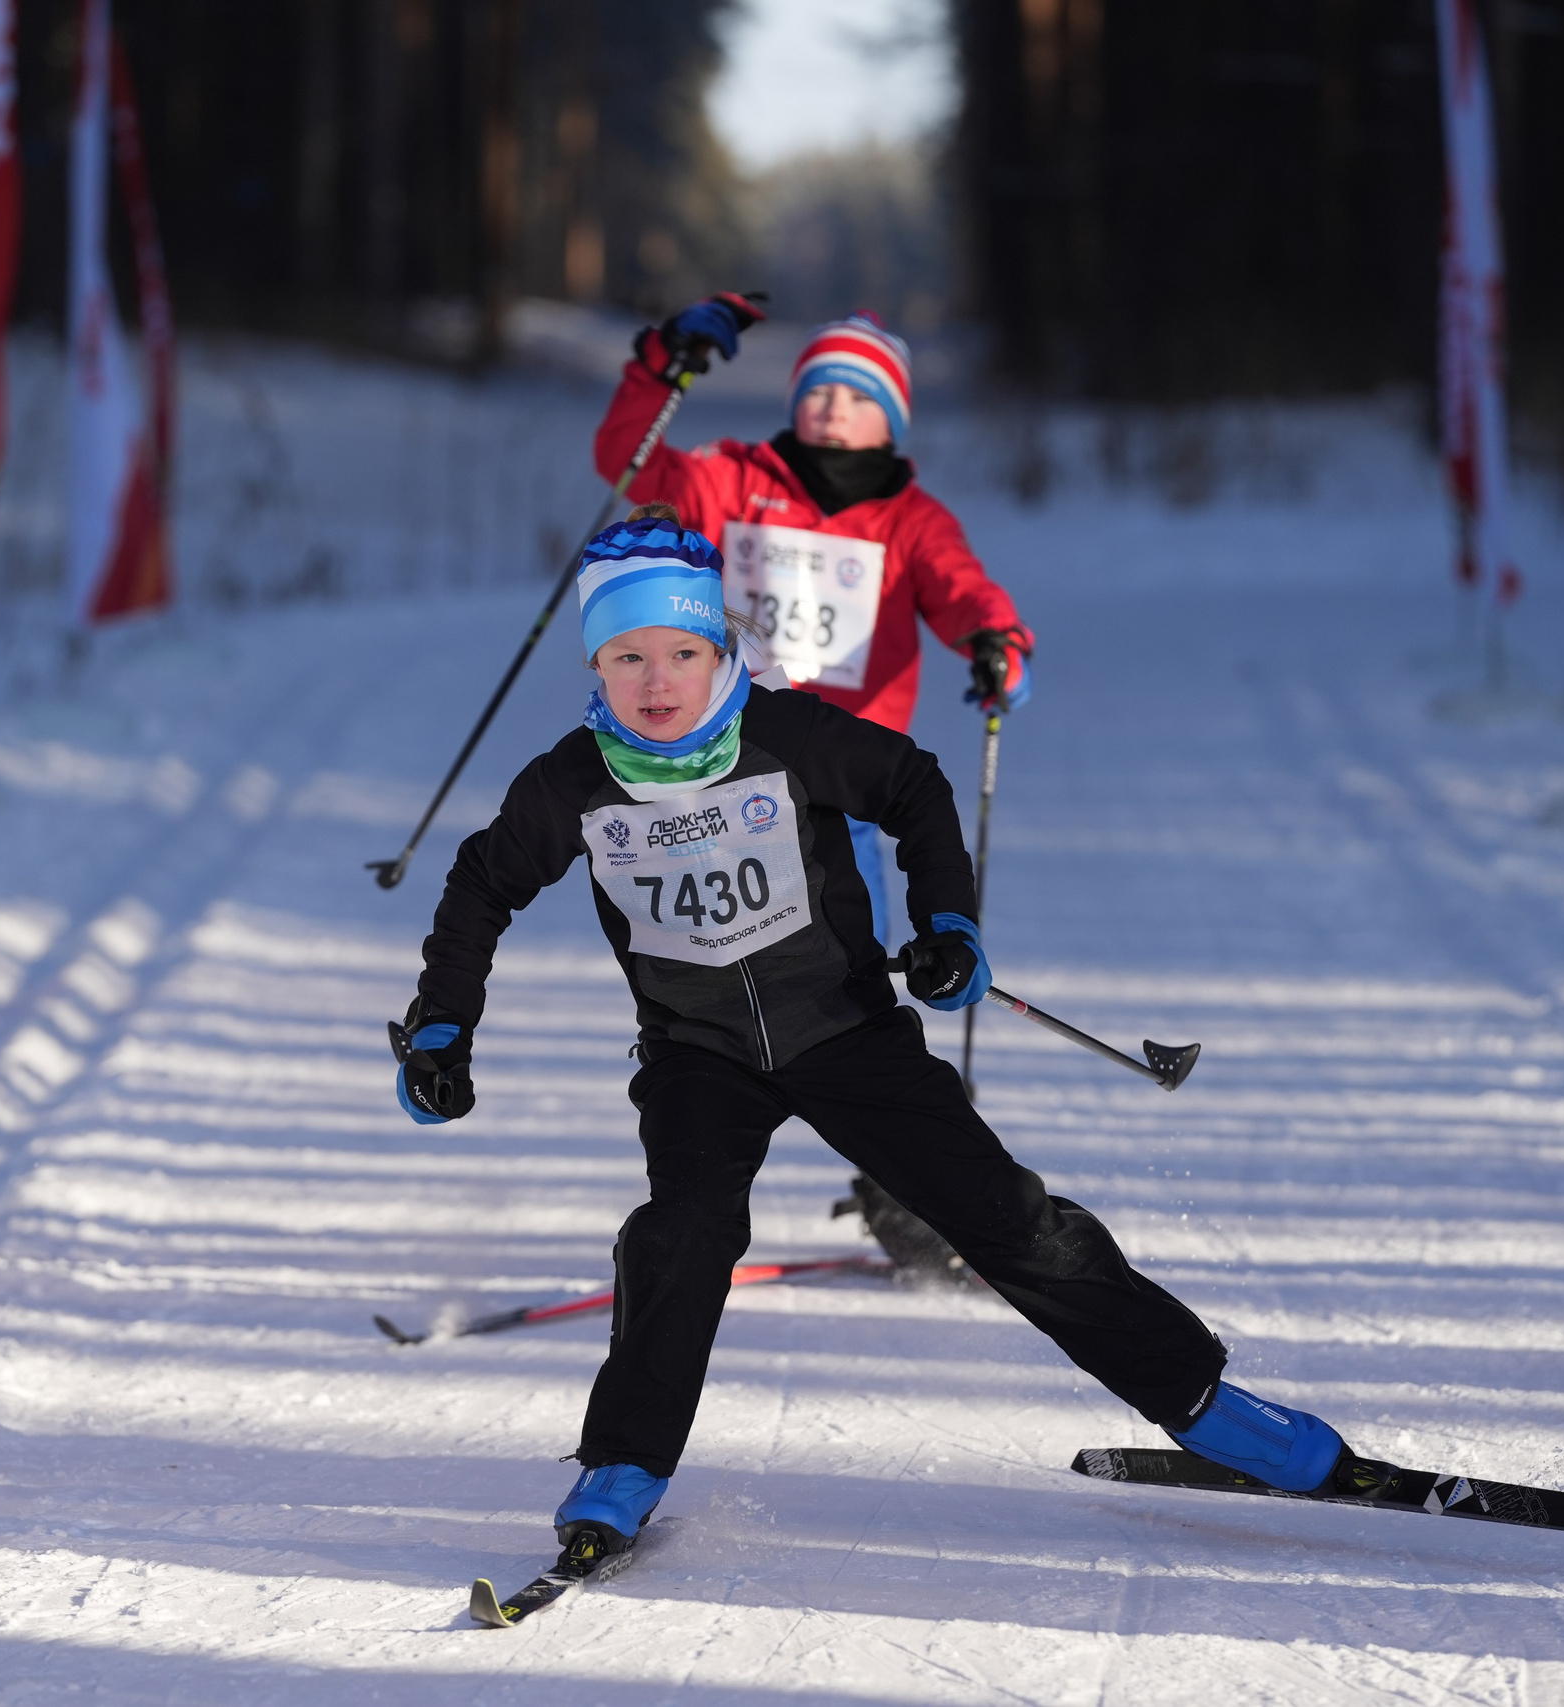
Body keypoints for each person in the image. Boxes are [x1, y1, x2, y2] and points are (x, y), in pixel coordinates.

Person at [392, 507, 1346, 1558]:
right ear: (595, 664)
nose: (654, 681)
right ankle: (622, 1465)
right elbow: (481, 885)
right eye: (625, 657)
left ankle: (1205, 1404)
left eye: (680, 652)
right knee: (683, 1234)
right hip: (696, 1054)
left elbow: (911, 786)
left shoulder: (787, 735)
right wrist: (441, 1028)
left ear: (721, 650)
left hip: (846, 1030)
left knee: (1003, 1220)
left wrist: (945, 921)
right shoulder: (571, 781)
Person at [594, 299, 1031, 936]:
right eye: (819, 391)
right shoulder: (733, 480)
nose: (833, 409)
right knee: (728, 942)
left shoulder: (912, 520)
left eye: (859, 398)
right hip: (735, 748)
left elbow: (960, 588)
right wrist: (661, 363)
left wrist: (998, 643)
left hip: (846, 764)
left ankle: (864, 1022)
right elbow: (626, 461)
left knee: (853, 937)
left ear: (893, 419)